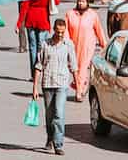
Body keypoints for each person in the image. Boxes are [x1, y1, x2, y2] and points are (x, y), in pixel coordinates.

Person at [32, 19, 78, 155]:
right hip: (47, 83)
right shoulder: (45, 44)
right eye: (58, 32)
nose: (60, 35)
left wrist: (78, 86)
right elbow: (38, 65)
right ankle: (50, 137)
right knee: (49, 114)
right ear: (53, 30)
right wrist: (34, 87)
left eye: (62, 32)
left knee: (59, 113)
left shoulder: (68, 45)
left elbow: (73, 65)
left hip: (62, 84)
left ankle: (58, 144)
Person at [66, 0, 106, 100]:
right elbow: (65, 30)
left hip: (87, 46)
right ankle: (80, 85)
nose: (80, 3)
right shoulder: (70, 14)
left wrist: (104, 44)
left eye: (83, 1)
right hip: (73, 45)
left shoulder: (92, 15)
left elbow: (99, 30)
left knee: (83, 68)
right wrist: (65, 43)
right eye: (79, 1)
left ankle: (79, 92)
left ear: (87, 3)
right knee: (74, 68)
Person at [17, 0, 60, 73]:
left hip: (30, 19)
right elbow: (56, 2)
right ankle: (41, 69)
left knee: (33, 47)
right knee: (42, 46)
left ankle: (33, 73)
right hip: (43, 19)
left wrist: (19, 23)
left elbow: (24, 6)